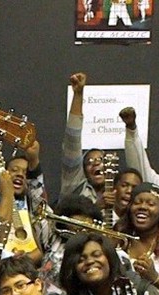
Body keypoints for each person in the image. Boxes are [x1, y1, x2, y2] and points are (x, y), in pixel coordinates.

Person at [61, 72, 118, 226]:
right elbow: (72, 141)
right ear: (83, 171)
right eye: (90, 162)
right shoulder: (75, 187)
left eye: (101, 160)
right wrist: (78, 95)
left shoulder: (122, 193)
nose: (97, 164)